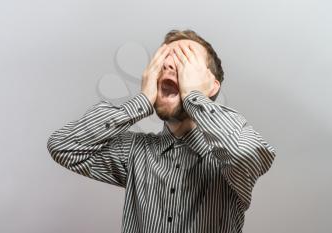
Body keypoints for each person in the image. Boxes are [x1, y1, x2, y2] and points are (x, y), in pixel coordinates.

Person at [47, 29, 276, 233]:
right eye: (163, 61)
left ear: (211, 84)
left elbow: (246, 152)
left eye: (184, 62)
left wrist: (194, 97)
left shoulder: (226, 160)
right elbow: (63, 146)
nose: (168, 65)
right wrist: (143, 100)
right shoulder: (136, 152)